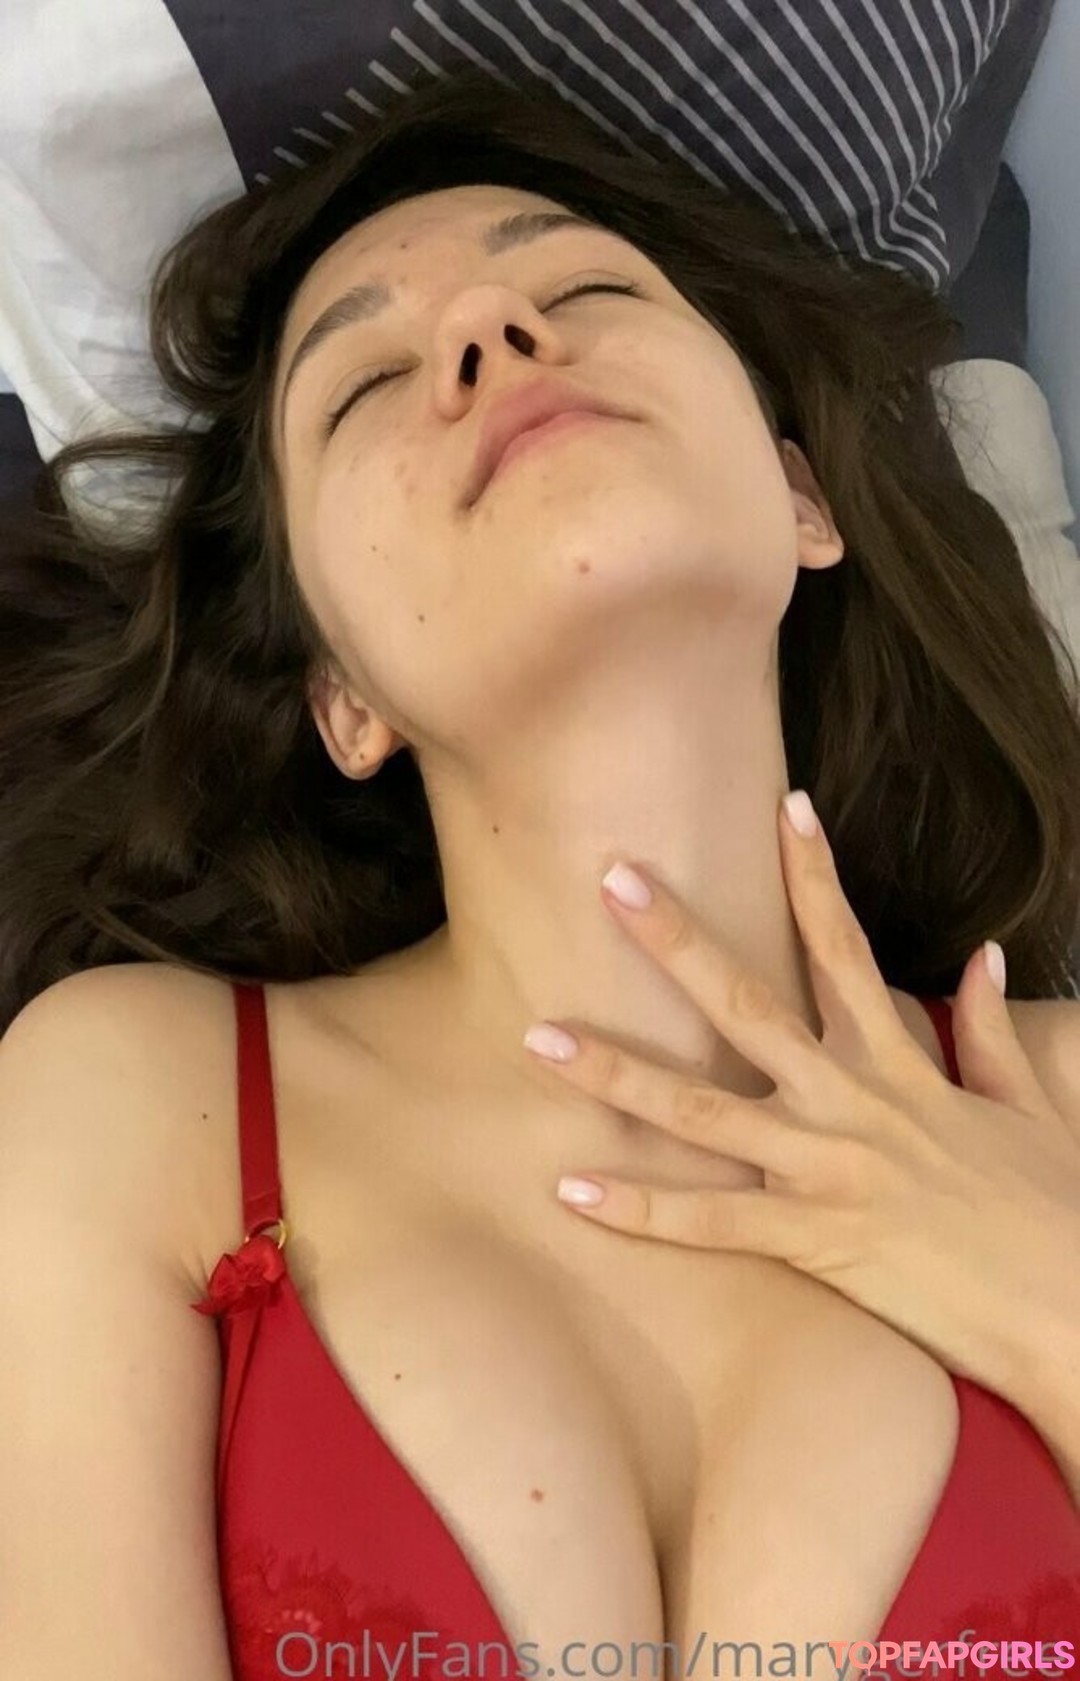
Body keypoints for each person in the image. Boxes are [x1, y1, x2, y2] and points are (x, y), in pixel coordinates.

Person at [1, 67, 1079, 1681]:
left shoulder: (1058, 1113)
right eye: (367, 383)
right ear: (341, 695)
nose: (492, 337)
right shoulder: (134, 1104)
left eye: (585, 293)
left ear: (800, 499)